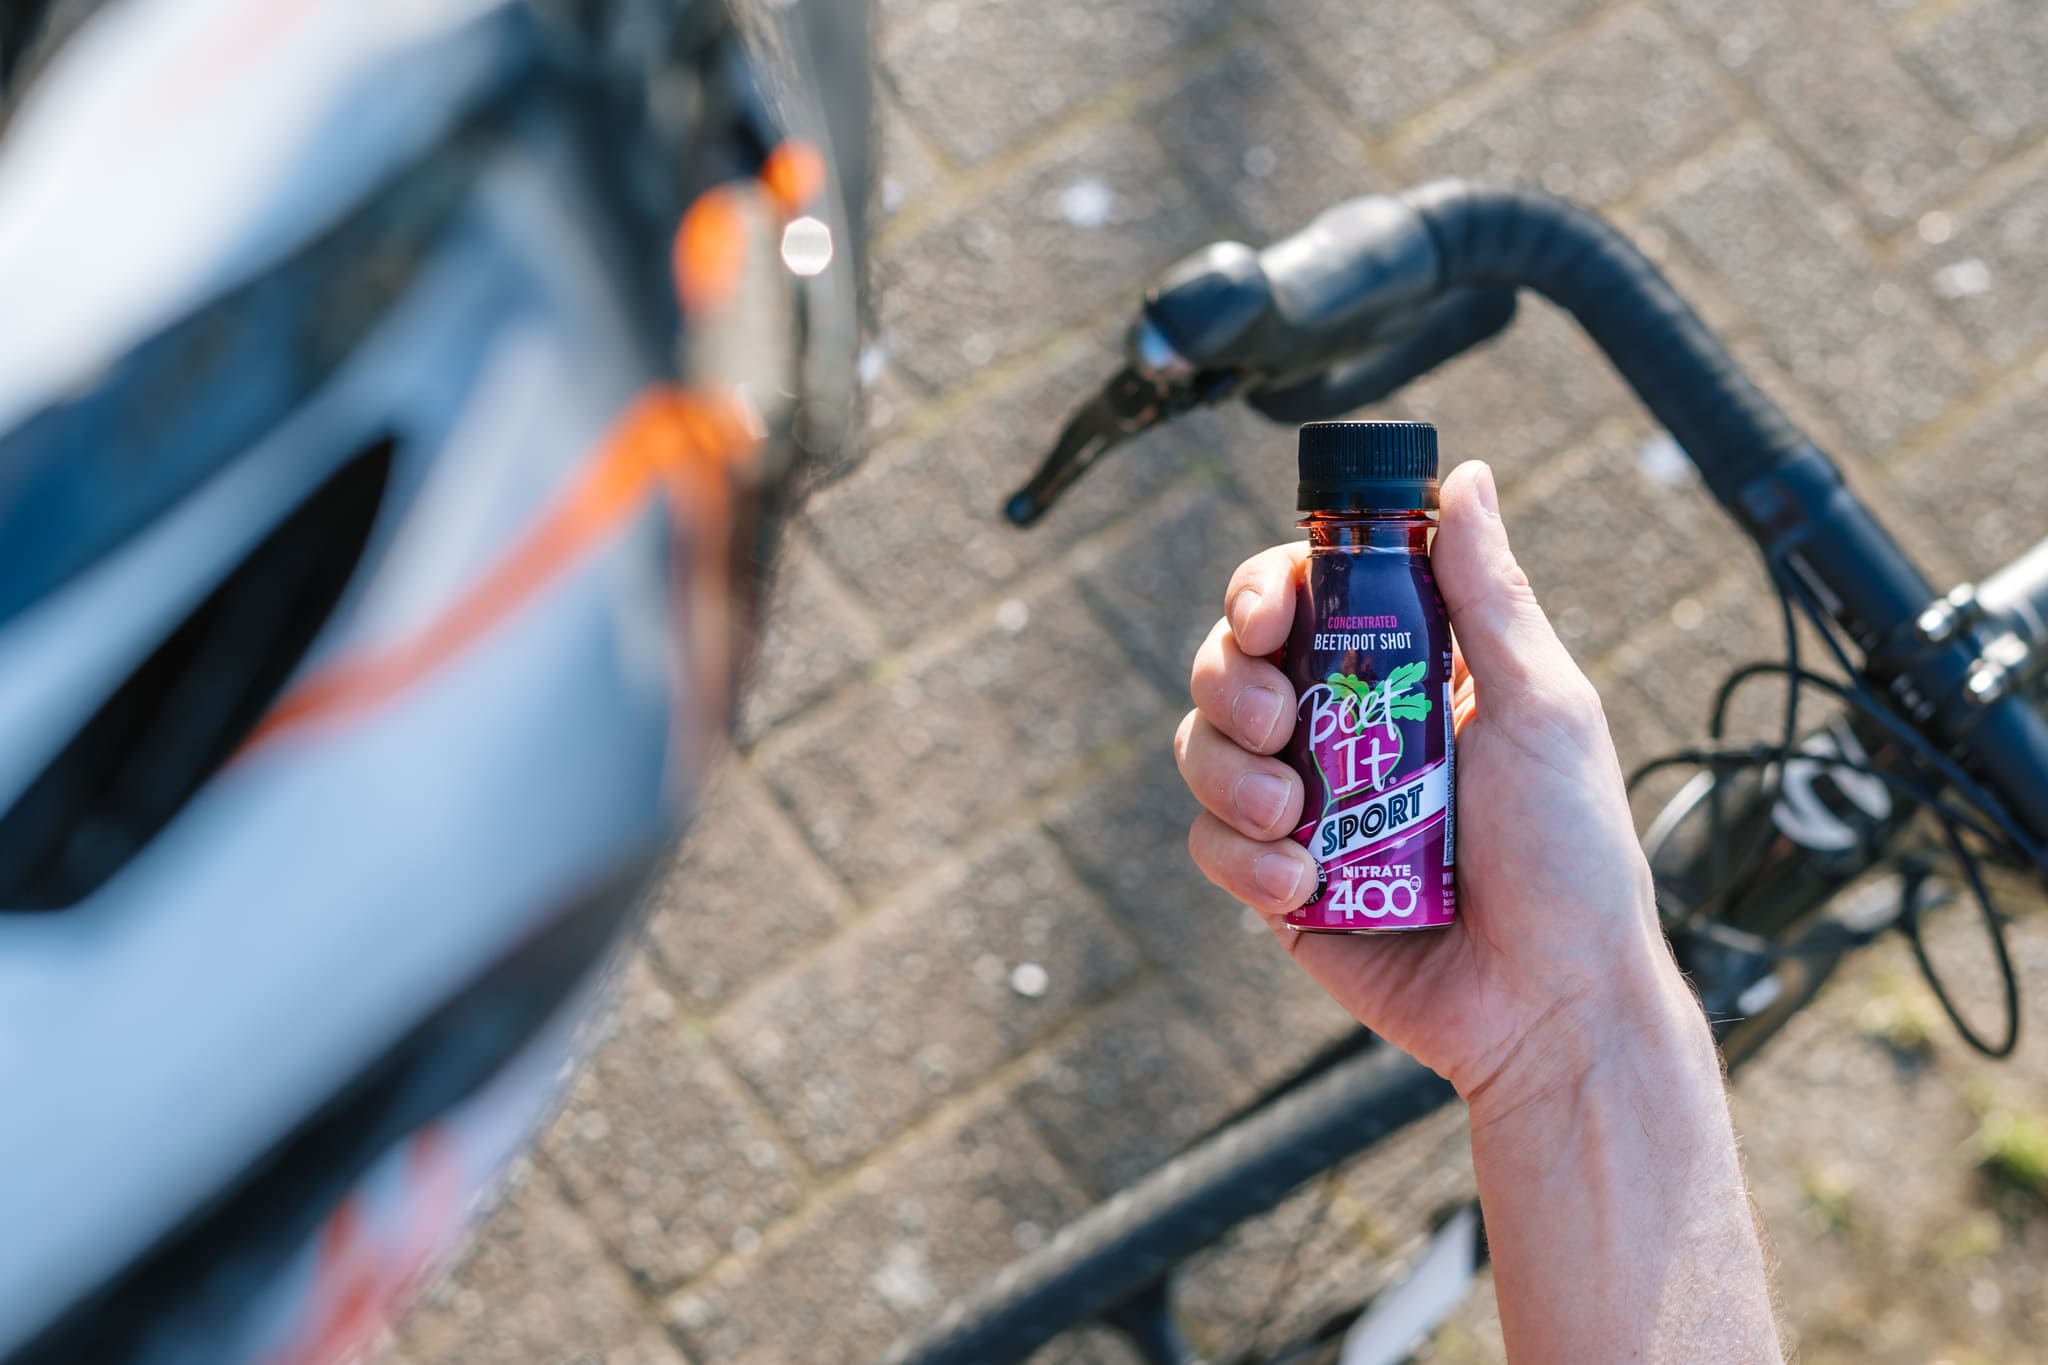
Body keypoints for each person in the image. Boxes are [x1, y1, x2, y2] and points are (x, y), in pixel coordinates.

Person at [1177, 459, 1785, 1363]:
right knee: (1279, 697)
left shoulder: (1409, 581)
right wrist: (1572, 1035)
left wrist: (1576, 1018)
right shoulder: (1333, 583)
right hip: (1370, 898)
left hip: (1428, 901)